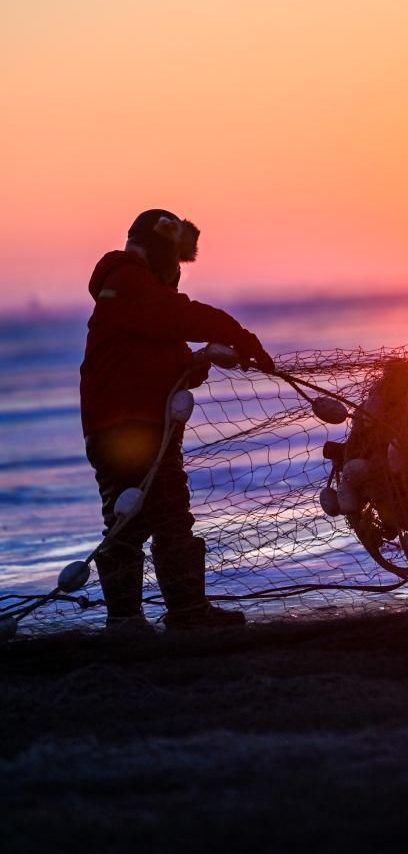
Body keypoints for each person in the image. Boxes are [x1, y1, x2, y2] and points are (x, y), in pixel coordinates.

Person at [80, 209, 275, 631]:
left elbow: (151, 356)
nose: (178, 273)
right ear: (162, 252)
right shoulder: (128, 279)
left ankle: (127, 621)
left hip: (121, 427)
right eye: (176, 260)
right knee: (165, 514)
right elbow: (180, 315)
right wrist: (239, 334)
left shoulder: (129, 292)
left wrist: (195, 362)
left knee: (131, 520)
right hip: (131, 429)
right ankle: (183, 614)